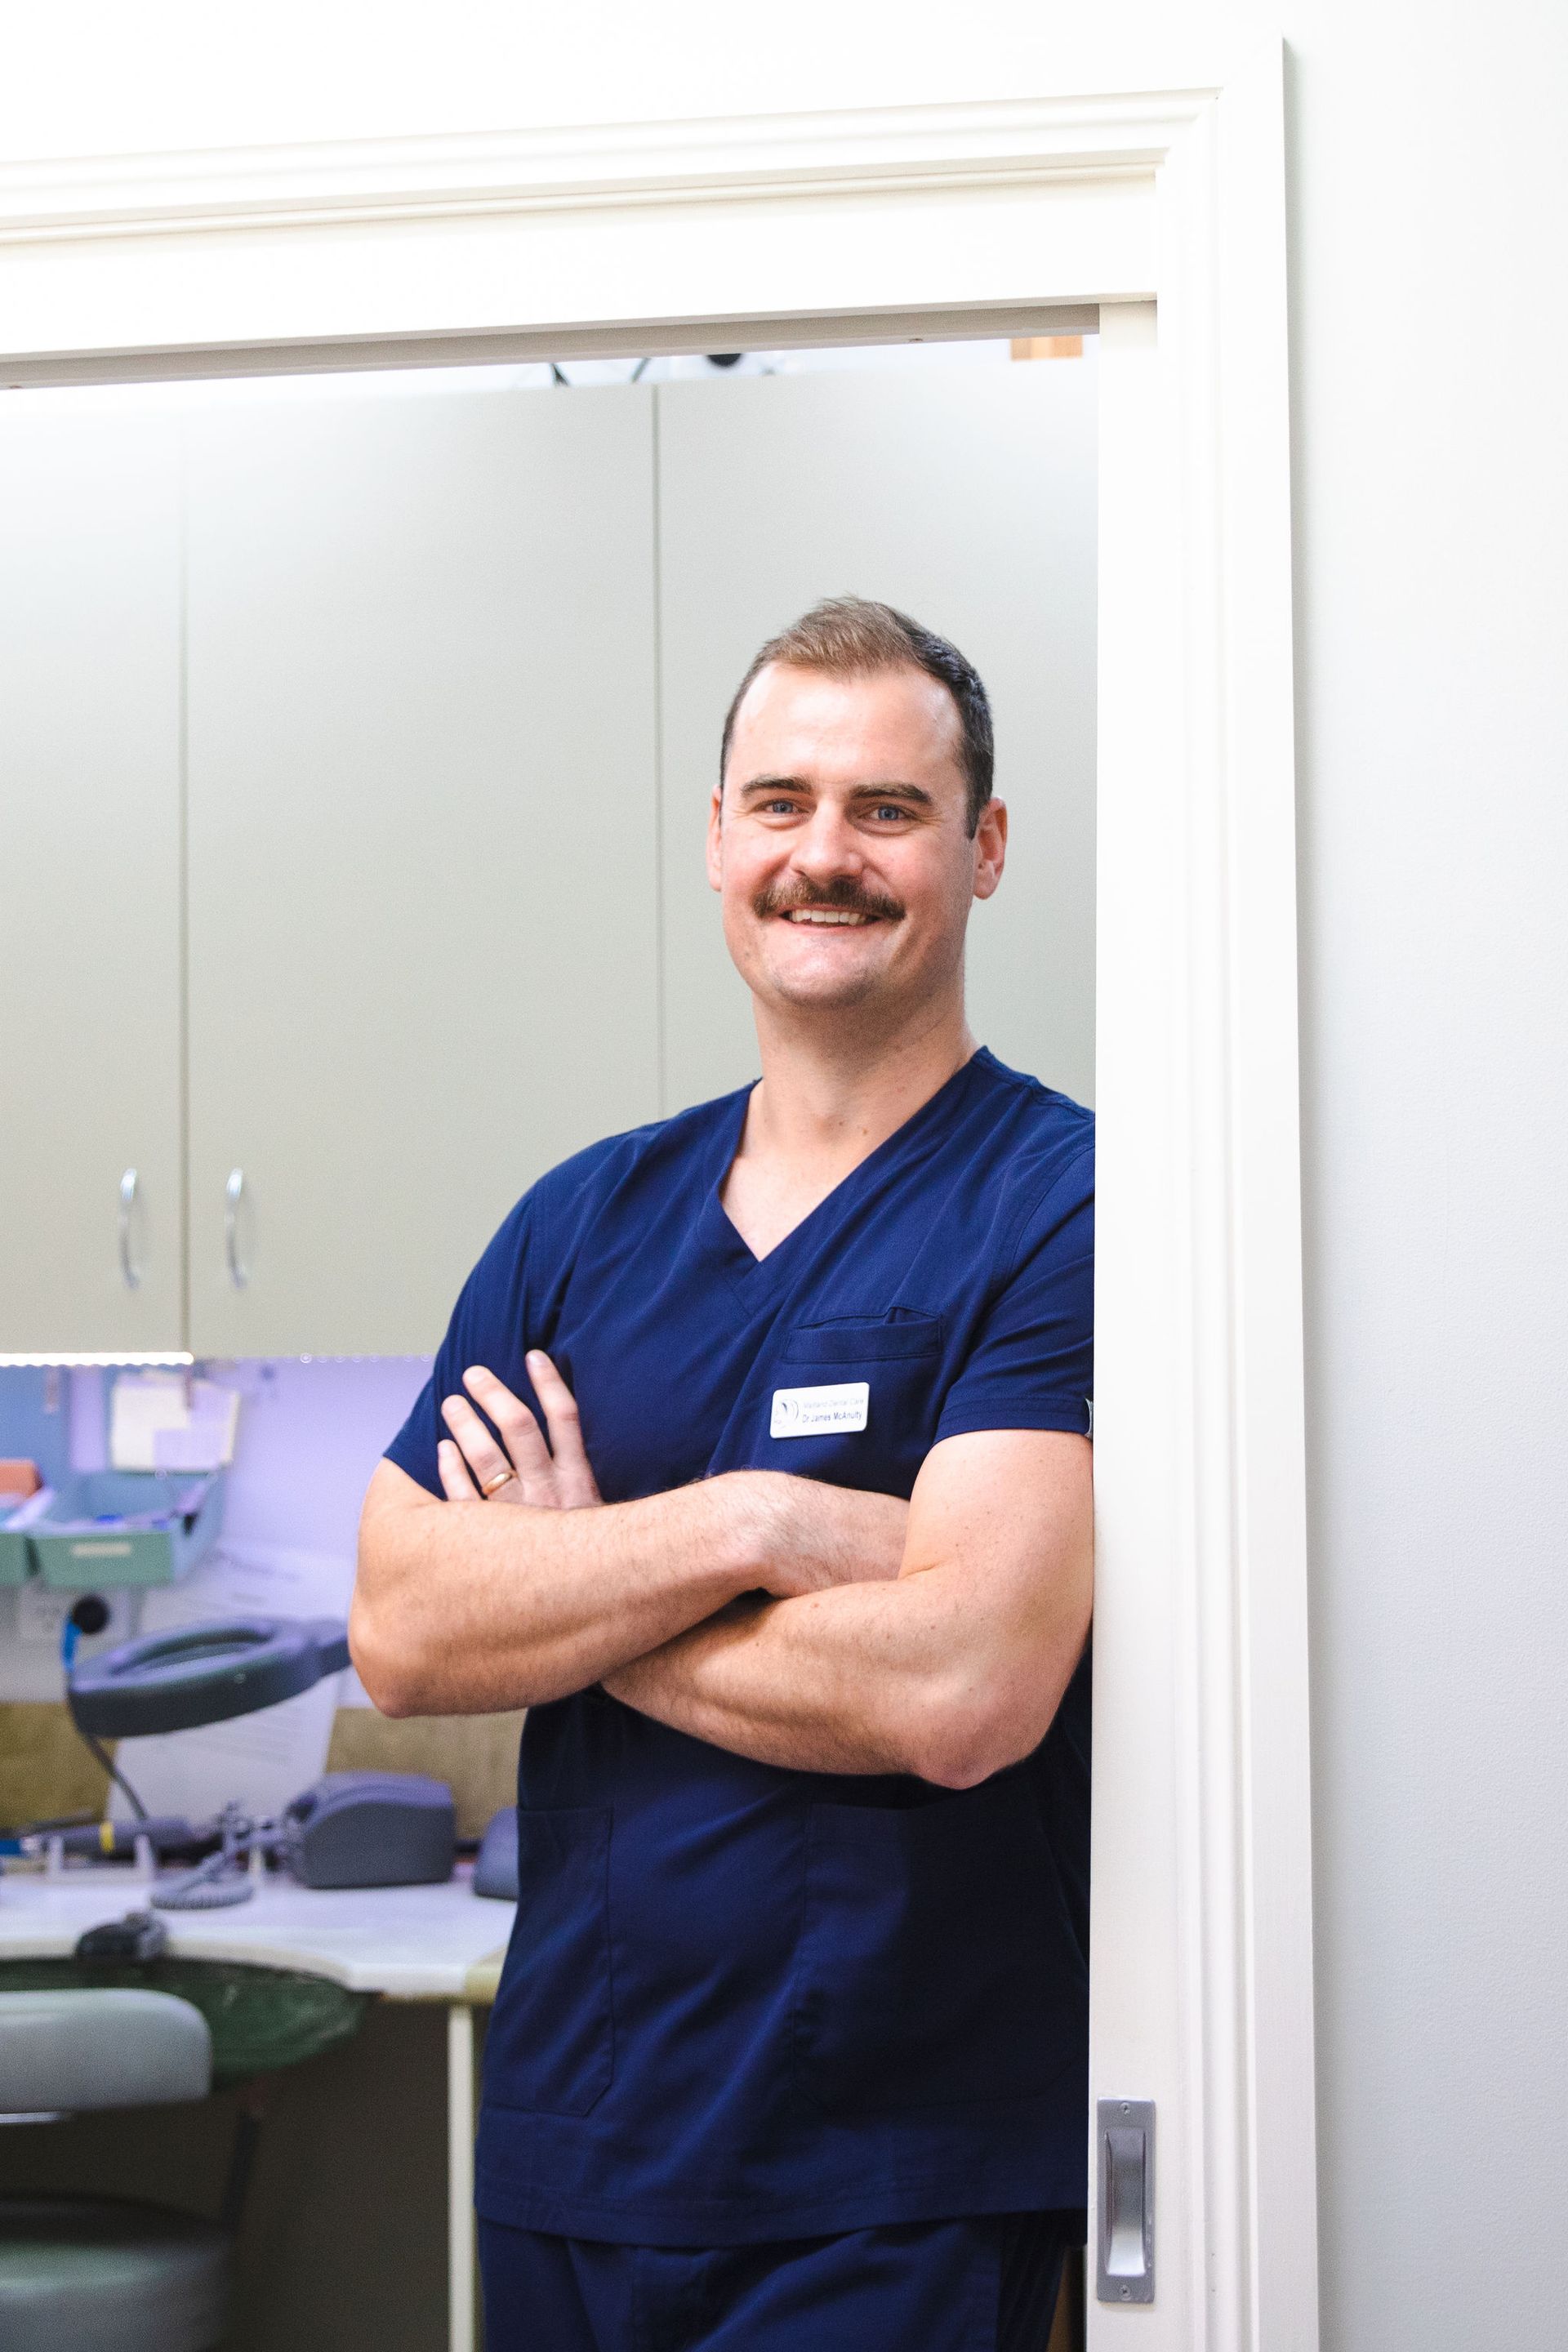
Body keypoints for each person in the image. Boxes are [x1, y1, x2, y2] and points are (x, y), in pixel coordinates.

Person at [350, 595, 1094, 2352]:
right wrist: (756, 1524)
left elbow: (967, 1684)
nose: (821, 856)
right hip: (576, 2147)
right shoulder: (580, 1225)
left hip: (894, 2187)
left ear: (983, 850)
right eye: (780, 803)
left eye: (885, 811)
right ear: (716, 840)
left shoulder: (1058, 1207)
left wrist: (576, 1581)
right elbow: (399, 1628)